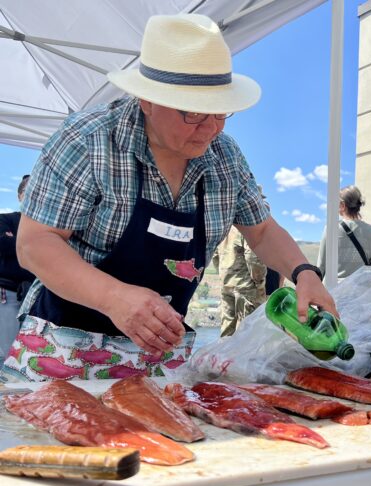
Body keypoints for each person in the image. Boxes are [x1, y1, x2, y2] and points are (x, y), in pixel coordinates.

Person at [1, 14, 335, 382]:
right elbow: (35, 244)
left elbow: (262, 231)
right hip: (63, 345)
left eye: (221, 112)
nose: (210, 128)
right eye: (192, 112)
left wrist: (304, 273)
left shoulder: (225, 156)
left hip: (158, 352)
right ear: (147, 98)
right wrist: (114, 297)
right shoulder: (89, 140)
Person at [0, 175, 35, 364]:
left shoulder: (55, 229)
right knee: (9, 352)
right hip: (8, 294)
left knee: (32, 352)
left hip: (37, 295)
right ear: (20, 196)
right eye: (30, 190)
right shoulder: (5, 219)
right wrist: (43, 243)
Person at [318, 185, 371, 279]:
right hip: (363, 290)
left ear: (342, 205)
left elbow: (321, 266)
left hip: (334, 290)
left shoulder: (331, 229)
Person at [212, 226, 267, 337]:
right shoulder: (250, 224)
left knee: (227, 331)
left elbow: (215, 255)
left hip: (227, 284)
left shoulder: (225, 226)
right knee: (248, 334)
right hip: (247, 287)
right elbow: (253, 257)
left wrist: (223, 276)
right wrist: (259, 282)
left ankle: (224, 354)